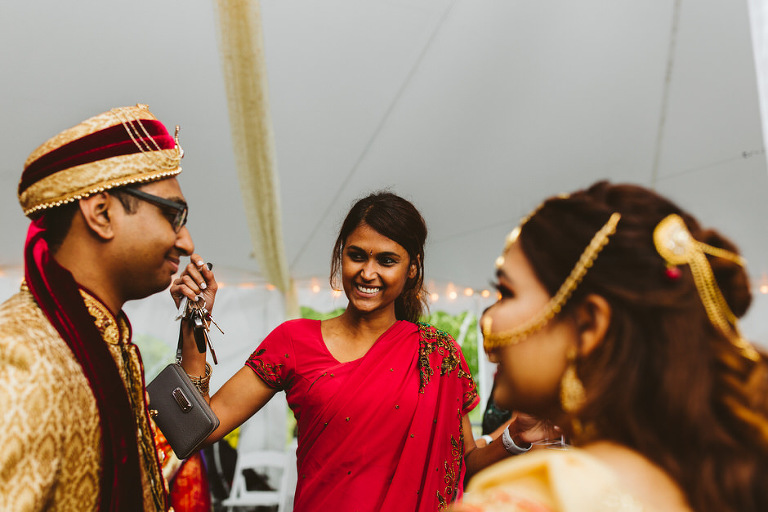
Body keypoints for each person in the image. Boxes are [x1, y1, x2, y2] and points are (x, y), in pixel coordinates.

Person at [171, 192, 552, 511]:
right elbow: (196, 432)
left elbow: (465, 467)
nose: (368, 273)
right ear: (341, 255)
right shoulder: (293, 341)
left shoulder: (439, 355)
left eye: (387, 260)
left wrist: (517, 435)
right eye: (357, 256)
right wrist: (194, 323)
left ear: (413, 268)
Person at [454, 181, 768, 512]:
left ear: (588, 323)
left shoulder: (528, 499)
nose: (490, 321)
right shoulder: (718, 480)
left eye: (507, 292)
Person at [0, 104, 195, 511]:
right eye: (172, 215)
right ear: (102, 214)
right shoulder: (20, 356)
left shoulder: (108, 341)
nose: (186, 242)